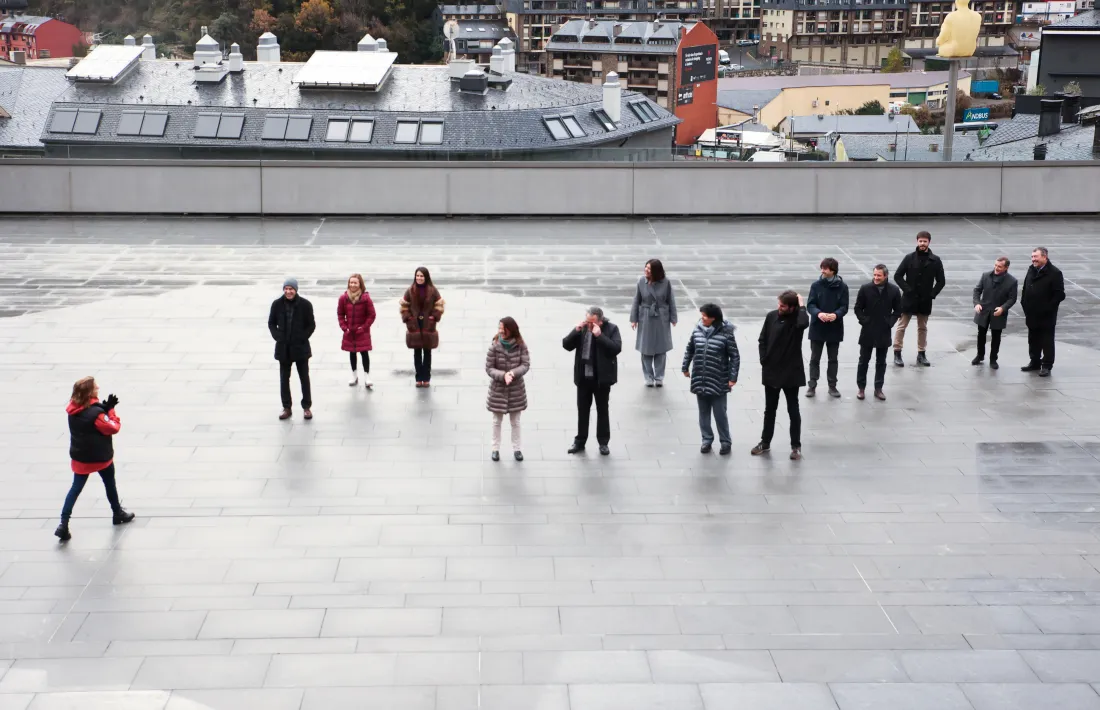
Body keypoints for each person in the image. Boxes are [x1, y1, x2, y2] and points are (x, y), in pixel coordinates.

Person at [56, 377, 135, 542]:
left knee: (75, 489)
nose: (98, 387)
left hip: (80, 457)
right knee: (109, 483)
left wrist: (102, 408)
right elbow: (113, 428)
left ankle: (63, 523)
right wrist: (110, 411)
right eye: (95, 386)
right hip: (99, 457)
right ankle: (117, 513)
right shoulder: (97, 414)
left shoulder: (73, 409)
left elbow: (87, 416)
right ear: (89, 392)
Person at [752, 291, 809, 460]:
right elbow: (762, 339)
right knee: (770, 409)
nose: (779, 308)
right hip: (772, 371)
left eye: (783, 306)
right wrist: (764, 359)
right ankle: (765, 441)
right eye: (779, 304)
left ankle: (796, 446)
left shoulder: (797, 320)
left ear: (792, 307)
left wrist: (802, 305)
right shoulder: (771, 317)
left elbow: (804, 323)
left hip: (791, 372)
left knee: (793, 409)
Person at [563, 306, 622, 456]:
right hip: (583, 378)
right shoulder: (582, 329)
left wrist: (600, 336)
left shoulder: (612, 329)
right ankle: (580, 441)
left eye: (592, 323)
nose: (589, 325)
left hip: (601, 379)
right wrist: (575, 331)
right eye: (587, 321)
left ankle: (603, 442)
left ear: (600, 322)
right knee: (582, 410)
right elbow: (566, 345)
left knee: (602, 410)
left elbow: (616, 349)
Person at [682, 303, 739, 455]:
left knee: (720, 413)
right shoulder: (697, 331)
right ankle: (706, 440)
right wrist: (685, 366)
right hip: (700, 378)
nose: (702, 319)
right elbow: (690, 349)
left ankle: (725, 441)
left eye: (705, 316)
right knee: (703, 413)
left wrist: (732, 378)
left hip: (718, 379)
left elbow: (734, 356)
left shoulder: (726, 333)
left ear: (713, 318)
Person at [893, 231, 946, 367]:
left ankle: (921, 354)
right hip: (909, 299)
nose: (922, 244)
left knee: (922, 327)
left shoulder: (935, 260)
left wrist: (932, 294)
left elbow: (941, 281)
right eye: (920, 241)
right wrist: (907, 289)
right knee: (901, 326)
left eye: (925, 241)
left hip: (924, 300)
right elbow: (898, 276)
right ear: (917, 241)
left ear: (929, 242)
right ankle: (897, 352)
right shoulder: (909, 258)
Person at [268, 278, 316, 420]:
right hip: (284, 348)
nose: (288, 291)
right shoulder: (276, 304)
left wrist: (302, 337)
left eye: (291, 289)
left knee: (304, 378)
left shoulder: (305, 305)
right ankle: (286, 407)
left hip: (300, 348)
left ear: (296, 290)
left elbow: (311, 325)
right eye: (286, 289)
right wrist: (278, 337)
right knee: (284, 378)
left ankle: (306, 407)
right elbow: (271, 323)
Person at [486, 317, 531, 462]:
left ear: (510, 330)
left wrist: (512, 373)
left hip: (516, 390)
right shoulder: (494, 345)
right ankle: (495, 449)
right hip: (498, 389)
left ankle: (517, 449)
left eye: (502, 328)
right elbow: (489, 368)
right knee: (496, 421)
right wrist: (503, 375)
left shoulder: (521, 345)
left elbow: (525, 364)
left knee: (515, 422)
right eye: (499, 327)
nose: (500, 331)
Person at [855, 265, 902, 401]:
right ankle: (861, 388)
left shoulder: (894, 290)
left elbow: (898, 310)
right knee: (863, 360)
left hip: (883, 330)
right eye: (874, 275)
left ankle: (878, 388)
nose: (876, 278)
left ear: (885, 276)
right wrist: (865, 321)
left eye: (879, 276)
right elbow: (858, 308)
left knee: (881, 361)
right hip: (868, 330)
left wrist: (890, 323)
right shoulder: (865, 288)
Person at [630, 259, 678, 387]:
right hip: (645, 317)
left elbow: (671, 300)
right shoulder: (641, 281)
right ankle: (648, 376)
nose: (646, 270)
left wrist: (673, 317)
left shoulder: (666, 282)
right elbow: (636, 300)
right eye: (646, 267)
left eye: (649, 268)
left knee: (661, 348)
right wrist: (633, 319)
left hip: (661, 317)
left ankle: (659, 376)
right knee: (645, 348)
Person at [805, 257, 848, 398]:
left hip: (834, 327)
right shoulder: (816, 285)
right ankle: (812, 385)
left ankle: (832, 386)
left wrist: (835, 315)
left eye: (825, 268)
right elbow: (810, 305)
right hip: (818, 327)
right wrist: (819, 314)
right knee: (814, 358)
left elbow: (844, 307)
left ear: (833, 270)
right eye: (822, 268)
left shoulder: (842, 287)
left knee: (833, 358)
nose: (822, 270)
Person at [1020, 247, 1066, 377]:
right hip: (1031, 313)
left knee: (1047, 341)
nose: (1033, 259)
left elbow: (1060, 295)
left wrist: (1047, 308)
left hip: (1046, 315)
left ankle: (1046, 365)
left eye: (1036, 257)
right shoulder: (1031, 270)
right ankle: (1034, 362)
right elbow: (1025, 288)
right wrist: (1024, 304)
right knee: (1033, 339)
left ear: (1044, 257)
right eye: (1032, 257)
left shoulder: (1055, 273)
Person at [400, 267, 445, 387]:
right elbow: (404, 307)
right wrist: (408, 319)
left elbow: (439, 305)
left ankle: (426, 378)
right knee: (417, 352)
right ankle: (418, 378)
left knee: (427, 352)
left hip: (427, 325)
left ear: (426, 277)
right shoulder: (410, 290)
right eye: (417, 276)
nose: (419, 278)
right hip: (415, 325)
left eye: (421, 276)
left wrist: (433, 317)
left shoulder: (432, 290)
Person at [972, 257, 1018, 370]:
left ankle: (993, 359)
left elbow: (1012, 299)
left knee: (996, 336)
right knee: (981, 334)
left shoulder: (1012, 281)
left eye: (999, 266)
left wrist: (1003, 308)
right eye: (995, 265)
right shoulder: (985, 275)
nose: (996, 268)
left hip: (998, 312)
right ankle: (980, 355)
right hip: (984, 310)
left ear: (1006, 268)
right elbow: (977, 290)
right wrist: (977, 303)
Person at [338, 273, 377, 388]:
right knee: (352, 352)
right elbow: (340, 314)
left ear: (360, 284)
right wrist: (344, 327)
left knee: (364, 352)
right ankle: (354, 375)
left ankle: (367, 376)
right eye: (351, 282)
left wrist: (364, 327)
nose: (353, 284)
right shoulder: (343, 298)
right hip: (350, 332)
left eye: (355, 282)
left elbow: (372, 315)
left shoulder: (365, 298)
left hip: (362, 332)